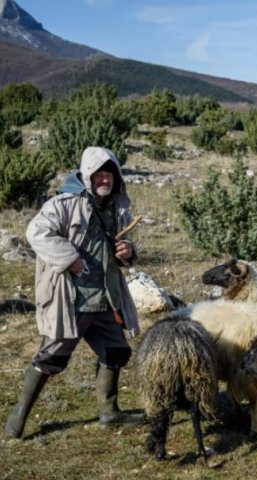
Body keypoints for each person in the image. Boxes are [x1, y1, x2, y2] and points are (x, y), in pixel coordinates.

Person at [5, 146, 142, 439]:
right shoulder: (63, 204)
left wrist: (128, 251)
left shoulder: (117, 206)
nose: (105, 180)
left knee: (116, 351)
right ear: (87, 175)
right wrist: (70, 258)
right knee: (51, 358)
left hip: (106, 298)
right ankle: (18, 417)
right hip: (70, 300)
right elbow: (37, 232)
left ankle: (109, 413)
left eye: (110, 174)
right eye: (99, 174)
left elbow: (121, 248)